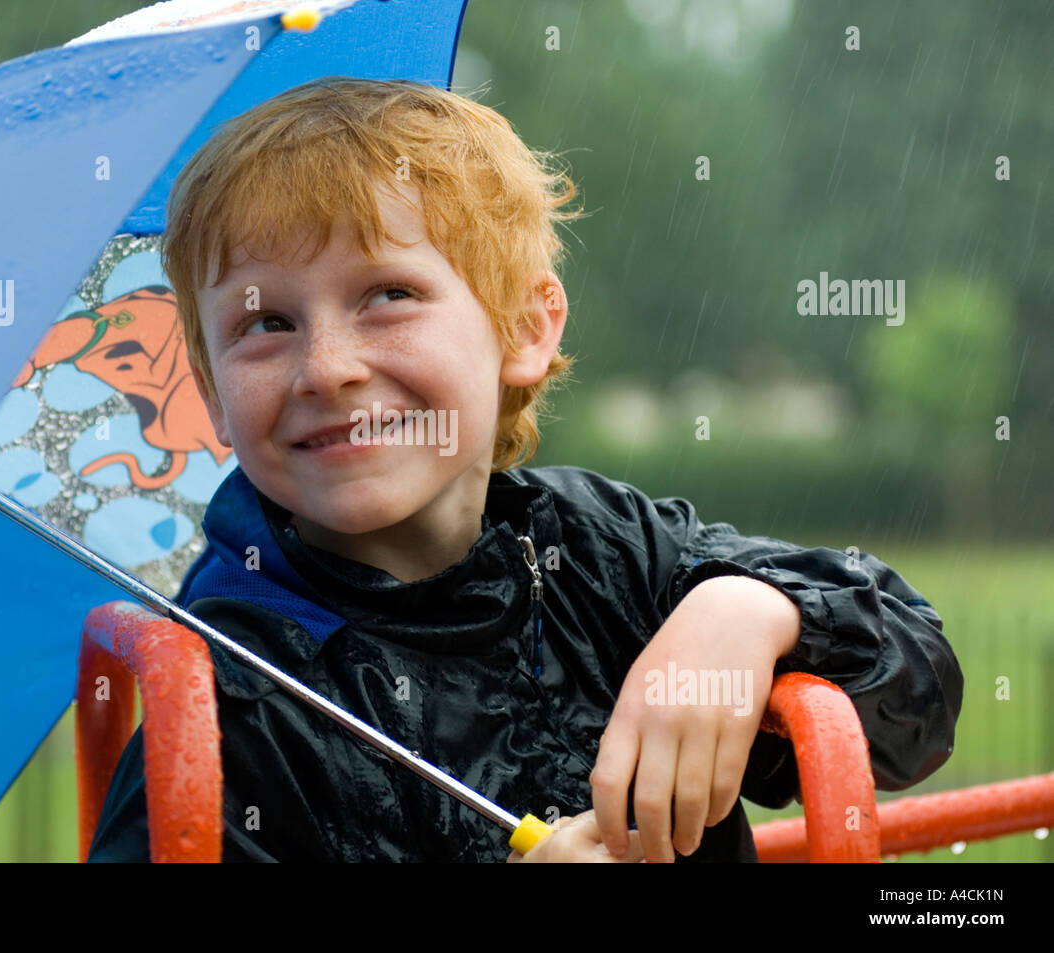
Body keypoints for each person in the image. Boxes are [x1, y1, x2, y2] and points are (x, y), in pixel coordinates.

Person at [87, 77, 963, 863]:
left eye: (387, 294)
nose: (327, 368)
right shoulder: (220, 703)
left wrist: (750, 612)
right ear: (208, 385)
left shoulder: (608, 550)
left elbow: (917, 712)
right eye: (264, 322)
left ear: (524, 328)